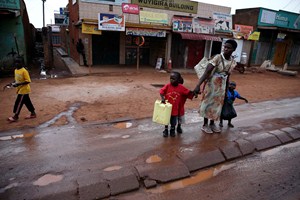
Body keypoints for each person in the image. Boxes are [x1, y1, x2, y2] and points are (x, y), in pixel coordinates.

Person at [193, 39, 238, 134]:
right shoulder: (217, 58)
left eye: (228, 48)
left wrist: (226, 91)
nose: (225, 49)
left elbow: (228, 77)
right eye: (224, 47)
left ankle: (212, 124)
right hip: (211, 85)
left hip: (221, 88)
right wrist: (198, 85)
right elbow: (206, 72)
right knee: (207, 104)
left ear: (233, 49)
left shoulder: (232, 62)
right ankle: (205, 124)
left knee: (216, 106)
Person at [160, 71, 194, 137]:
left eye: (173, 79)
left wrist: (194, 92)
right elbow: (161, 91)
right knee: (166, 120)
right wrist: (162, 98)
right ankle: (166, 130)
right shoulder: (167, 86)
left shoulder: (181, 87)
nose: (171, 80)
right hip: (167, 108)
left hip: (175, 108)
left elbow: (188, 92)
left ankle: (172, 130)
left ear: (178, 80)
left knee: (174, 120)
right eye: (170, 78)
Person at [6, 57, 36, 122]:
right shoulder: (16, 70)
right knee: (27, 102)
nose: (17, 64)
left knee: (18, 102)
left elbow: (28, 81)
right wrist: (12, 83)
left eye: (19, 62)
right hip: (19, 89)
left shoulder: (24, 71)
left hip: (24, 90)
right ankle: (33, 113)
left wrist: (18, 84)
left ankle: (16, 116)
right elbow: (16, 79)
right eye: (16, 62)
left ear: (22, 63)